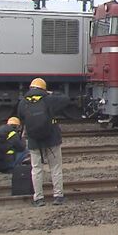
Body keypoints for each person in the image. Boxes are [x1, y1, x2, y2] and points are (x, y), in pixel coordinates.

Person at [17, 78, 70, 207]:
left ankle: (39, 198)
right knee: (55, 168)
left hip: (34, 141)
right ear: (44, 89)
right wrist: (52, 93)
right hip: (52, 139)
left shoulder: (23, 102)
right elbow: (66, 99)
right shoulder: (49, 99)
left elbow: (21, 118)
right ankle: (58, 196)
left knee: (36, 169)